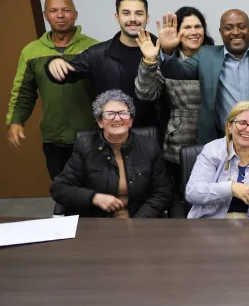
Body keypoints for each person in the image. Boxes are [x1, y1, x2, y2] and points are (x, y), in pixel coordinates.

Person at [150, 10, 249, 166]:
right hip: (222, 141)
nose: (236, 32)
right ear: (220, 32)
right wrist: (167, 51)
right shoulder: (206, 55)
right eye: (228, 28)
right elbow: (175, 71)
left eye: (241, 27)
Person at [6, 0, 98, 179]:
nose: (60, 15)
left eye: (66, 10)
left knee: (96, 190)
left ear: (75, 14)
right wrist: (16, 121)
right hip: (54, 138)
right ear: (45, 15)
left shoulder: (94, 48)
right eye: (54, 11)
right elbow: (23, 92)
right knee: (63, 190)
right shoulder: (31, 51)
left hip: (92, 135)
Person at [45, 0, 159, 129]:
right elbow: (63, 75)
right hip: (114, 134)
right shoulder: (97, 54)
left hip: (156, 135)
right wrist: (53, 62)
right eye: (126, 13)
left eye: (139, 13)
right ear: (117, 17)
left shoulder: (163, 51)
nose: (133, 19)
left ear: (147, 18)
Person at [50, 90, 171, 218]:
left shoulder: (149, 147)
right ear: (100, 122)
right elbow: (59, 188)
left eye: (123, 113)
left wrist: (139, 220)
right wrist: (94, 197)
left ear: (130, 121)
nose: (117, 118)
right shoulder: (85, 147)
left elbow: (163, 192)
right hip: (97, 221)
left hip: (139, 219)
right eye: (110, 114)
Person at [134, 7, 211, 189]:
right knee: (182, 194)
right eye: (187, 27)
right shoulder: (167, 61)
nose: (193, 32)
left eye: (198, 26)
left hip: (215, 139)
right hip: (179, 141)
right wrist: (149, 61)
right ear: (176, 32)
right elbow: (145, 93)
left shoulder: (215, 57)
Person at [184, 101, 249, 219]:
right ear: (229, 127)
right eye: (242, 123)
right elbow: (193, 193)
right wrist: (230, 188)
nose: (248, 129)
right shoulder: (212, 151)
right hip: (210, 222)